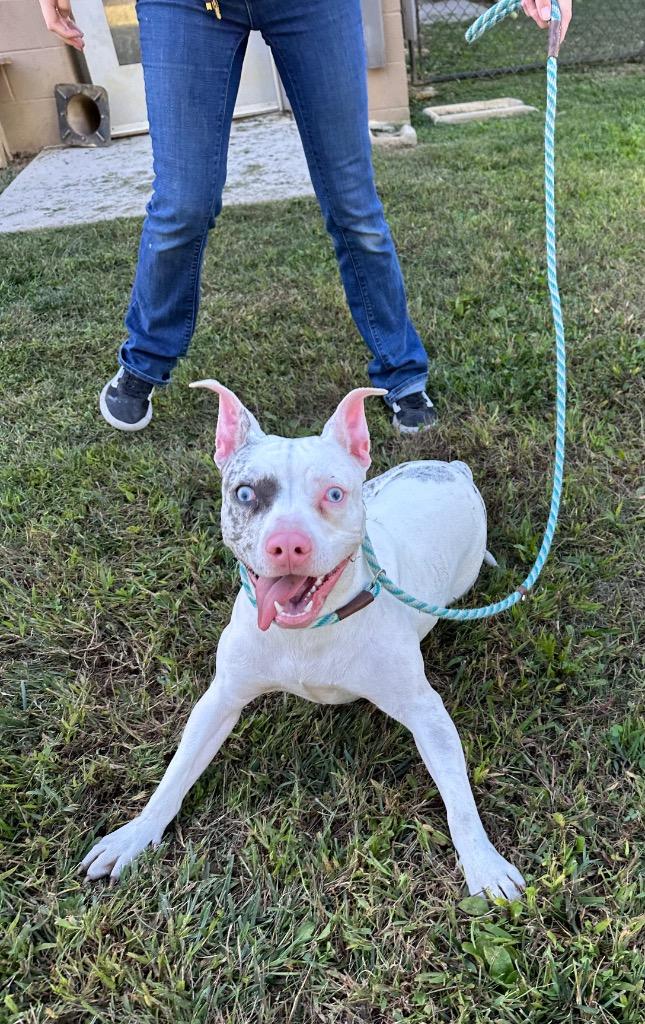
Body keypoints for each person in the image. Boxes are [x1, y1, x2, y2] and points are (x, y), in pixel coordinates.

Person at [39, 0, 572, 435]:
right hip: (185, 7)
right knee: (184, 203)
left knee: (353, 203)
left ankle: (401, 372)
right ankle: (142, 363)